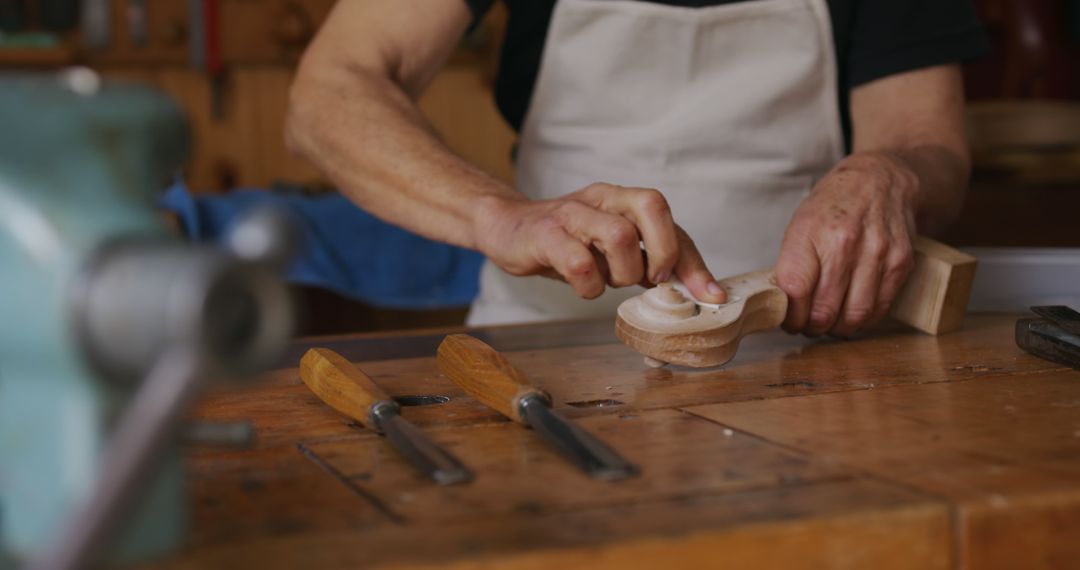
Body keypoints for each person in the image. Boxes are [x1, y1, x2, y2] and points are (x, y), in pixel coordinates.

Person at [286, 0, 988, 336]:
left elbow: (931, 146)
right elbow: (328, 95)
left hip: (796, 350)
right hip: (540, 344)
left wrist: (889, 171)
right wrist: (500, 213)